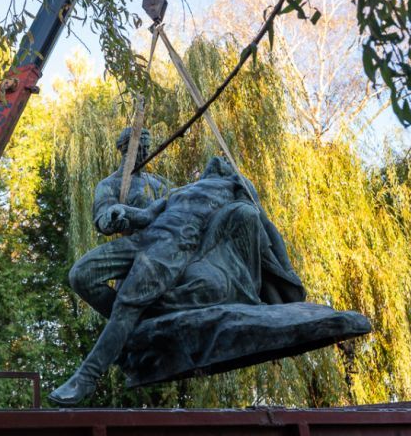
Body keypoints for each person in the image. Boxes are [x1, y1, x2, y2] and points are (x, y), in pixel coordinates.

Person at [49, 156, 305, 405]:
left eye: (226, 162)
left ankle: (87, 376)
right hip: (145, 238)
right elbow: (146, 216)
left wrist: (287, 275)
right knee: (81, 275)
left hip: (173, 248)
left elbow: (265, 228)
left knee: (128, 303)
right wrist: (121, 211)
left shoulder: (233, 188)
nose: (218, 160)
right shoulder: (179, 191)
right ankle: (135, 325)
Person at [68, 127, 169, 318]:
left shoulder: (158, 183)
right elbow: (103, 217)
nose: (145, 153)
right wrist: (112, 219)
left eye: (147, 148)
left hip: (164, 242)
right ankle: (126, 318)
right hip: (135, 243)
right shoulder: (109, 184)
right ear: (124, 148)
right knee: (80, 275)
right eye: (140, 148)